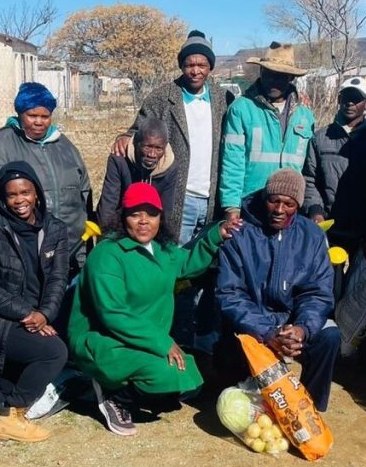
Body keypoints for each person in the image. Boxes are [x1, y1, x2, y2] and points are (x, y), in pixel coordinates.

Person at [67, 183, 239, 436]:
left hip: (142, 340)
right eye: (135, 214)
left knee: (187, 377)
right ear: (123, 216)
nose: (144, 221)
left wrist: (216, 234)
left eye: (151, 213)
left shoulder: (162, 250)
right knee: (165, 375)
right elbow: (112, 314)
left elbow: (188, 263)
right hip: (104, 339)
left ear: (160, 216)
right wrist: (162, 342)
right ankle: (114, 396)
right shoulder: (107, 254)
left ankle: (110, 387)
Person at [111, 31, 235, 350]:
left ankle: (204, 335)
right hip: (177, 197)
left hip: (211, 199)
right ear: (182, 66)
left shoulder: (223, 99)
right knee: (173, 269)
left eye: (202, 64)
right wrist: (125, 136)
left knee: (208, 266)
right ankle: (171, 333)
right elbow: (139, 128)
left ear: (210, 67)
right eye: (189, 64)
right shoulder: (163, 96)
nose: (195, 70)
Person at [0, 161, 69, 443]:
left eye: (26, 192)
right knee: (54, 352)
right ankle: (10, 416)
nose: (20, 200)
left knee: (41, 355)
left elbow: (58, 278)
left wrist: (45, 313)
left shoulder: (54, 229)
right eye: (12, 195)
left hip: (34, 315)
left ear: (37, 193)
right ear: (3, 198)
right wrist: (28, 313)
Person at [214, 169, 340, 411]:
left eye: (289, 204)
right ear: (265, 199)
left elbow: (318, 293)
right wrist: (267, 331)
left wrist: (302, 329)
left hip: (292, 321)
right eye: (274, 201)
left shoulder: (311, 236)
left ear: (298, 206)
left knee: (329, 336)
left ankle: (309, 409)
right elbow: (230, 295)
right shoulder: (240, 232)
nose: (280, 210)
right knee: (231, 353)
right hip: (255, 322)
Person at [302, 75, 366, 368]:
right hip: (329, 228)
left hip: (364, 228)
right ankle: (326, 346)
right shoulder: (322, 137)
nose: (350, 103)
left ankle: (362, 349)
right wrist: (314, 210)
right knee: (326, 288)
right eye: (346, 97)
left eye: (357, 98)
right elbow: (309, 178)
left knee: (363, 290)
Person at [0, 82, 92, 267]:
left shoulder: (64, 145)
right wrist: (9, 219)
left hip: (70, 246)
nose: (39, 122)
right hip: (24, 246)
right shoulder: (0, 144)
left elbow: (84, 189)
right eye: (32, 115)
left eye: (45, 116)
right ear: (20, 114)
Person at [219, 41, 314, 220]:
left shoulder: (305, 115)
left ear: (291, 78)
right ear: (261, 72)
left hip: (288, 208)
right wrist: (231, 207)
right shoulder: (241, 108)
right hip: (251, 204)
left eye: (281, 76)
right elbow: (232, 161)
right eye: (269, 74)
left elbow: (309, 169)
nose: (273, 81)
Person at [98, 118, 179, 237]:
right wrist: (106, 239)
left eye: (158, 149)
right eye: (147, 147)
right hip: (121, 225)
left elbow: (166, 212)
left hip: (150, 229)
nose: (152, 154)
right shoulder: (119, 160)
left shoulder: (170, 168)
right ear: (136, 143)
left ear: (165, 148)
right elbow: (109, 204)